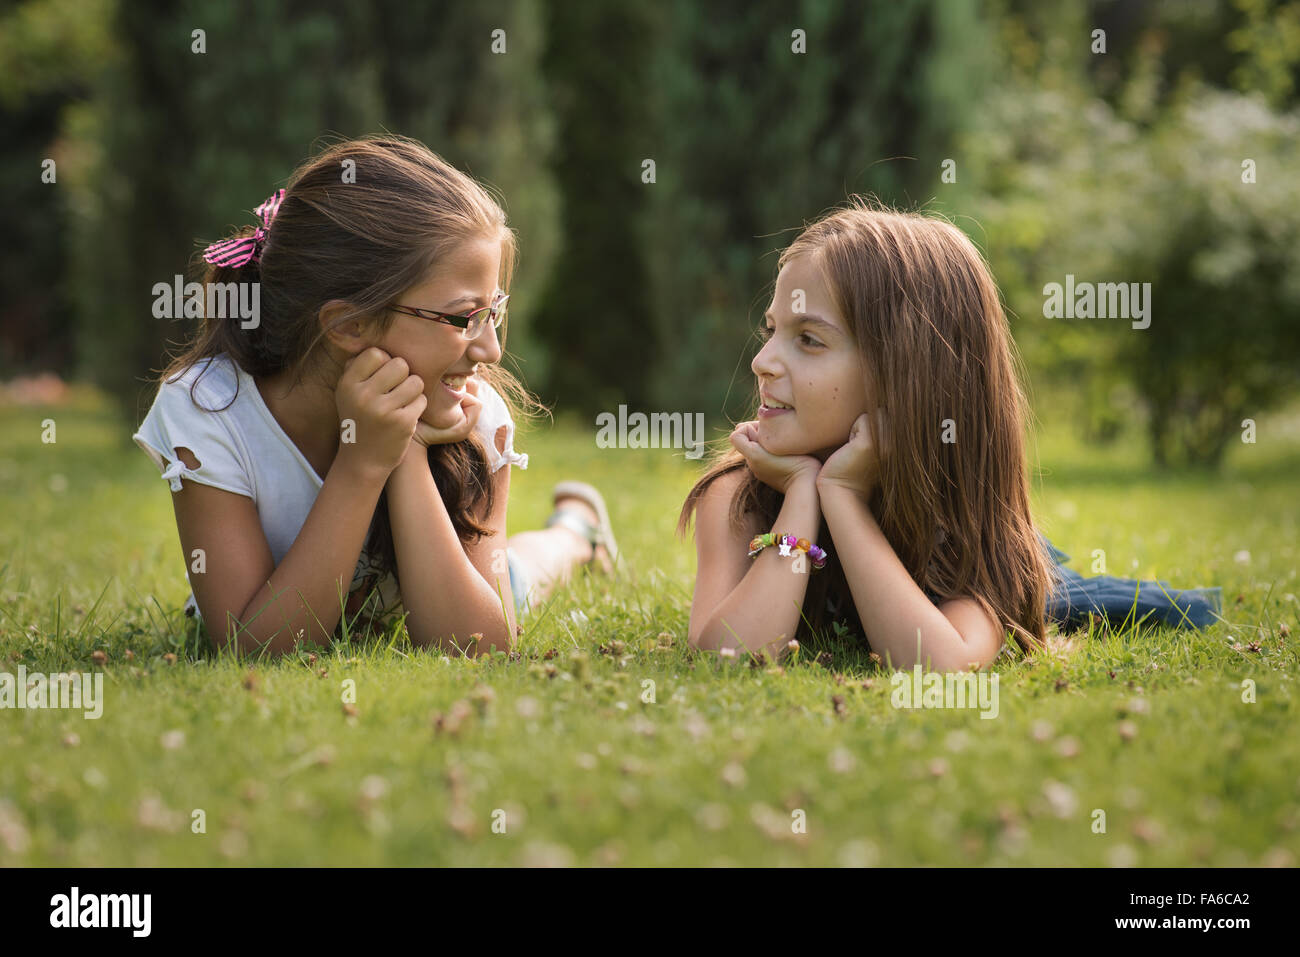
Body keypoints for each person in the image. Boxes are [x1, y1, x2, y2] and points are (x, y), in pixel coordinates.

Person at [678, 197, 1218, 673]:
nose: (762, 361)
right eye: (772, 331)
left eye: (810, 340)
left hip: (1005, 554)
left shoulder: (961, 515)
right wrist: (801, 497)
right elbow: (729, 656)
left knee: (1092, 600)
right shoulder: (740, 495)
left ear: (905, 372)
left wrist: (841, 495)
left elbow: (943, 663)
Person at [134, 136, 617, 658]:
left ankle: (576, 532)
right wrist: (363, 462)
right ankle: (575, 528)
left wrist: (404, 450)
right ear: (349, 324)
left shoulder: (469, 411)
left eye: (493, 311)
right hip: (278, 596)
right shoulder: (210, 412)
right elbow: (256, 648)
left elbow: (478, 645)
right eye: (462, 318)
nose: (492, 350)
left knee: (521, 575)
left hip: (443, 586)